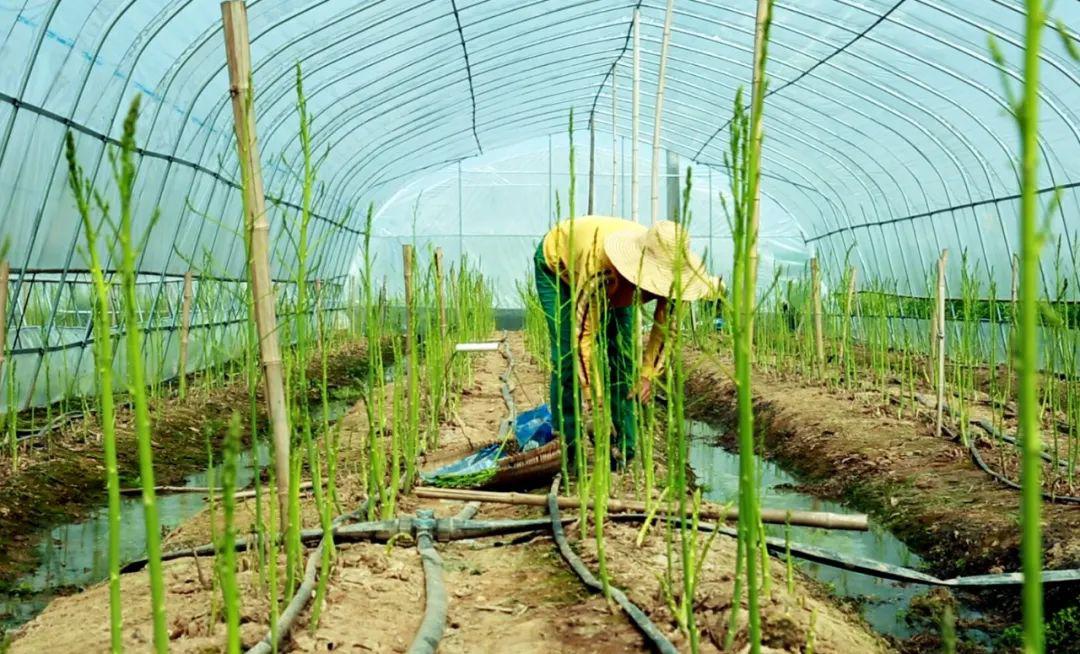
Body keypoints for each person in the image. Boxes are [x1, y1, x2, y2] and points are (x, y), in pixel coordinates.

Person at [534, 215, 720, 470]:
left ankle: (624, 447)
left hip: (617, 282)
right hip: (559, 267)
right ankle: (567, 447)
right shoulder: (602, 270)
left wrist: (647, 374)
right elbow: (582, 338)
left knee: (622, 355)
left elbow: (665, 331)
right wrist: (593, 397)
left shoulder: (679, 282)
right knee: (567, 356)